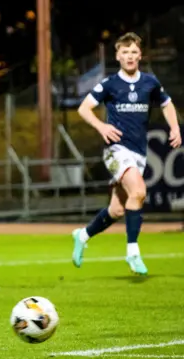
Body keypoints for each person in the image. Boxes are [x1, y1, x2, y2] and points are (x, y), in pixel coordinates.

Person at [72, 32, 181, 275]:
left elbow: (167, 104)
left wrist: (175, 128)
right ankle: (132, 252)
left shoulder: (150, 82)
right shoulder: (110, 84)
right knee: (139, 191)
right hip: (116, 150)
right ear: (118, 56)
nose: (130, 56)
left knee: (118, 210)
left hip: (138, 152)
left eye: (134, 52)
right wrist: (101, 126)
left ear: (140, 56)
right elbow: (84, 108)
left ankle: (82, 235)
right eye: (125, 52)